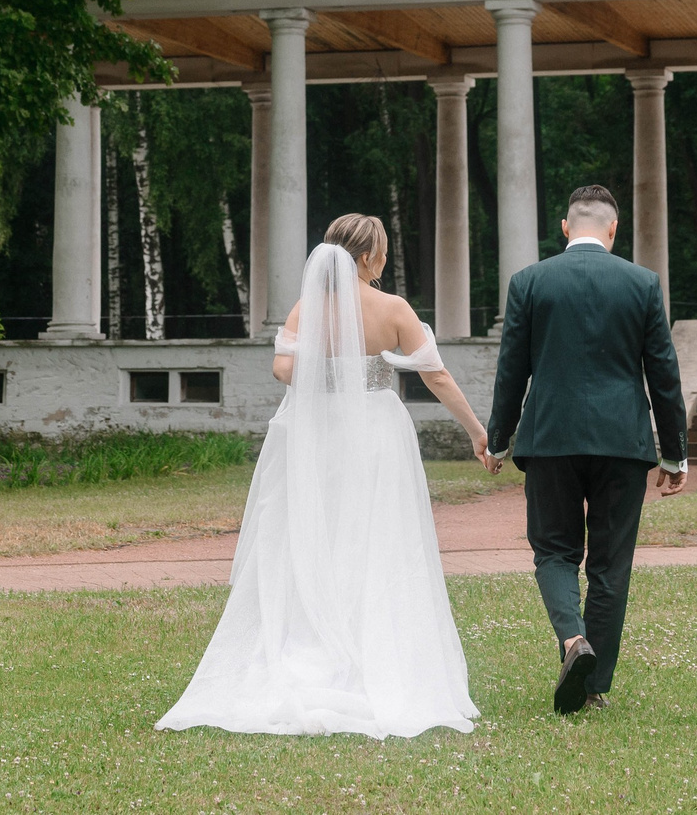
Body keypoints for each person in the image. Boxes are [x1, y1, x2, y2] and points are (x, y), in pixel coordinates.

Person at [157, 214, 491, 738]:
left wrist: (325, 368)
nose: (384, 260)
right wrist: (477, 432)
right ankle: (376, 656)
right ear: (367, 257)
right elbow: (437, 375)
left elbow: (282, 368)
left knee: (318, 533)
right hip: (376, 433)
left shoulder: (308, 308)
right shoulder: (393, 309)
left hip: (317, 433)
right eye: (382, 251)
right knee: (378, 538)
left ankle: (309, 642)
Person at [485, 183, 688, 715]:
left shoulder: (529, 281)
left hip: (551, 438)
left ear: (565, 227)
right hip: (623, 442)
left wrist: (498, 441)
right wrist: (675, 453)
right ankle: (592, 687)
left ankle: (574, 640)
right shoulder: (643, 283)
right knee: (610, 564)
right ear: (613, 228)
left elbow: (512, 371)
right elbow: (664, 374)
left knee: (554, 551)